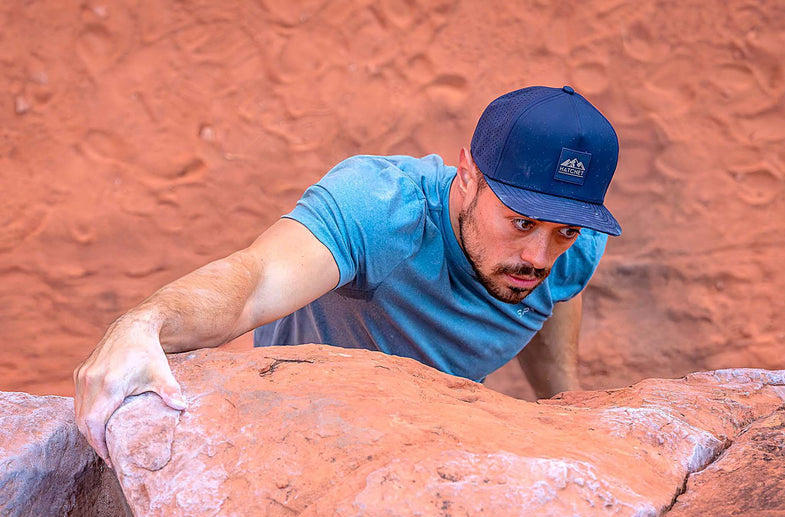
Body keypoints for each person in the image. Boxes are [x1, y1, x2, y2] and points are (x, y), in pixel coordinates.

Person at [74, 85, 622, 462]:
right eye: (520, 220)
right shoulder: (379, 207)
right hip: (302, 434)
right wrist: (146, 323)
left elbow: (558, 289)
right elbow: (257, 278)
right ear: (468, 174)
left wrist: (563, 408)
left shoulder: (573, 241)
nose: (538, 256)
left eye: (563, 231)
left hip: (437, 443)